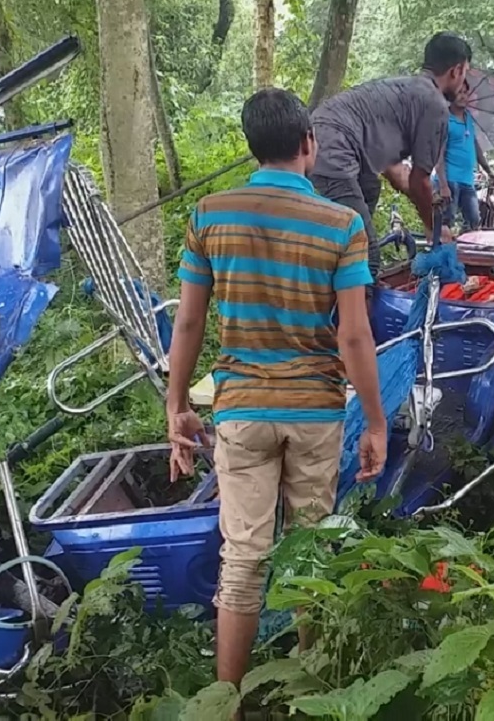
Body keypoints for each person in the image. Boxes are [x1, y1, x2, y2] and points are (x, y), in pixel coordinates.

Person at [166, 88, 388, 690]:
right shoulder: (341, 224)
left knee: (243, 559)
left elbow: (188, 322)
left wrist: (177, 404)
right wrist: (375, 422)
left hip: (241, 409)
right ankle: (311, 692)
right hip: (315, 410)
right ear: (308, 143)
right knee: (309, 551)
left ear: (253, 147)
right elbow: (354, 336)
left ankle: (229, 702)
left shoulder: (210, 215)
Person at [310, 32, 472, 286]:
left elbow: (397, 174)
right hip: (334, 150)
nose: (463, 82)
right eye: (465, 73)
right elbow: (419, 181)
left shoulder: (402, 87)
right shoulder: (435, 104)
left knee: (369, 188)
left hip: (320, 139)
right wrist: (434, 228)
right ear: (457, 70)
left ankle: (333, 278)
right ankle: (350, 308)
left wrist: (426, 204)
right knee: (365, 255)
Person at [435, 79, 494, 232]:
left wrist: (489, 171)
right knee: (446, 222)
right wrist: (443, 186)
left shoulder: (468, 118)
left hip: (467, 181)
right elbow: (438, 155)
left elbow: (475, 146)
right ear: (451, 96)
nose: (463, 96)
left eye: (465, 92)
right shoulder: (445, 120)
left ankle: (461, 246)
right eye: (459, 92)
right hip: (450, 180)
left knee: (473, 221)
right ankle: (442, 246)